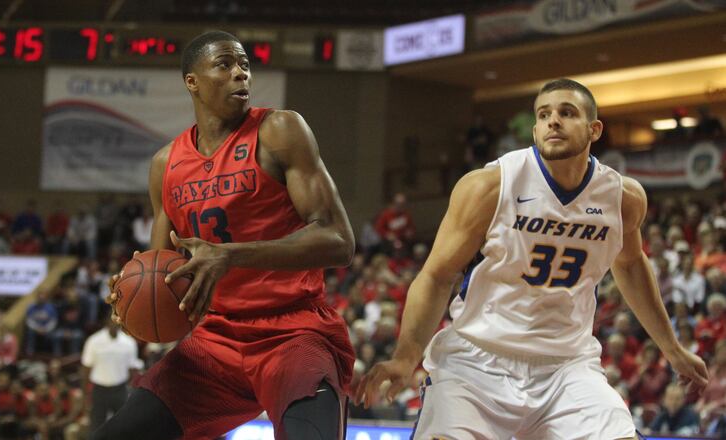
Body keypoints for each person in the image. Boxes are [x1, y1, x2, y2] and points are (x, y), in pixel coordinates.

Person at [356, 78, 709, 439]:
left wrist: (672, 348)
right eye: (544, 114)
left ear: (594, 129)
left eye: (567, 113)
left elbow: (631, 265)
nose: (552, 121)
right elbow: (436, 275)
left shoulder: (622, 197)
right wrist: (405, 355)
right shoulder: (489, 187)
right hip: (478, 361)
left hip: (566, 366)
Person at [97, 30, 356, 440]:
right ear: (192, 82)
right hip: (215, 338)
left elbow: (339, 241)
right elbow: (163, 271)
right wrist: (130, 296)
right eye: (225, 64)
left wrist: (229, 254)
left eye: (245, 66)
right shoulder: (166, 164)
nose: (241, 74)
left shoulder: (280, 130)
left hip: (293, 331)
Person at [81, 320, 141, 434]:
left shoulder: (129, 342)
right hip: (99, 389)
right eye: (112, 321)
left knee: (124, 424)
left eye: (118, 322)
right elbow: (86, 369)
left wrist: (130, 388)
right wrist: (85, 393)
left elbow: (132, 369)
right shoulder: (94, 341)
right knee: (96, 425)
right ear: (106, 322)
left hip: (120, 389)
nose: (115, 324)